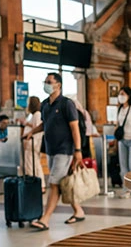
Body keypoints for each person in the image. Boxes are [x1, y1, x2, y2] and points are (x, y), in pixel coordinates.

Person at [23, 72, 86, 230]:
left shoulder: (67, 104)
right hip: (51, 149)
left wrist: (77, 150)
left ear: (58, 85)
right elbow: (44, 124)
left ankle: (45, 219)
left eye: (49, 81)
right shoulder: (45, 104)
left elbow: (74, 128)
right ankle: (78, 211)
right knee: (62, 181)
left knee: (54, 183)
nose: (46, 84)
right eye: (45, 81)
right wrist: (32, 132)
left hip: (64, 150)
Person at [19, 97, 45, 191]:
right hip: (30, 144)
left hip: (33, 143)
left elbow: (37, 127)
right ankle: (38, 185)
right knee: (33, 164)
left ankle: (36, 184)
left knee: (32, 164)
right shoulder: (33, 115)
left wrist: (26, 123)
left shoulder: (37, 115)